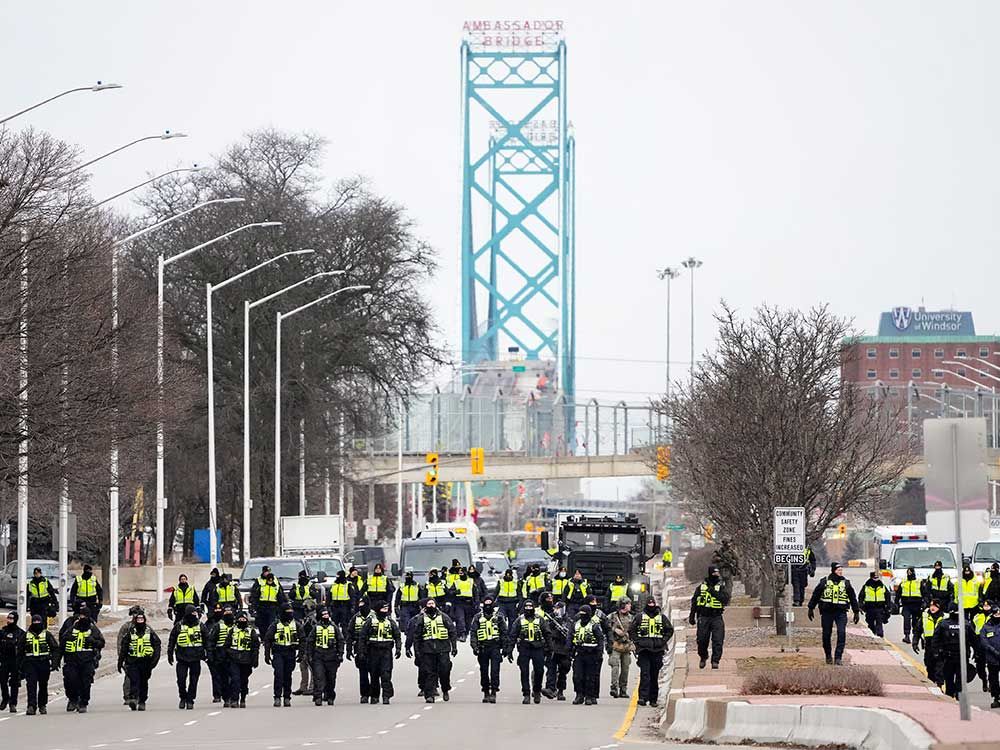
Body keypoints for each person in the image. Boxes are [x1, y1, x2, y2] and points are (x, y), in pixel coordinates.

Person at [808, 562, 860, 665]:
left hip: (841, 612)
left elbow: (853, 598)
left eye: (841, 570)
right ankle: (828, 656)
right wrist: (811, 608)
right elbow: (816, 595)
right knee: (826, 635)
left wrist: (856, 611)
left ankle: (838, 657)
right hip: (827, 612)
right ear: (833, 570)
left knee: (841, 633)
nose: (840, 572)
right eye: (838, 570)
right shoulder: (824, 582)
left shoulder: (846, 583)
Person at [409, 598, 457, 703]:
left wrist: (454, 647)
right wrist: (417, 651)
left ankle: (445, 689)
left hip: (443, 649)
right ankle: (429, 695)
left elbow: (452, 631)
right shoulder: (421, 619)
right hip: (427, 650)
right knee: (429, 673)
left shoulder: (444, 617)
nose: (431, 606)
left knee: (444, 671)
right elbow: (416, 636)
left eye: (432, 603)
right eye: (429, 604)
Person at [629, 596, 673, 707]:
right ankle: (643, 698)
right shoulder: (639, 617)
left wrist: (662, 641)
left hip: (657, 650)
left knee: (654, 675)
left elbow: (669, 630)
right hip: (644, 650)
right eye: (649, 604)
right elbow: (631, 630)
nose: (651, 606)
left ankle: (653, 699)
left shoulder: (662, 618)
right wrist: (638, 642)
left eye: (653, 604)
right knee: (645, 674)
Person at [358, 602, 401, 705]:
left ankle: (386, 696)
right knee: (374, 674)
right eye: (383, 609)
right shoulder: (370, 621)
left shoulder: (390, 621)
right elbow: (362, 637)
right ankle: (374, 696)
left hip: (386, 651)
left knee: (386, 674)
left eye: (386, 609)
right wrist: (361, 651)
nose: (385, 611)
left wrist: (398, 648)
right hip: (373, 650)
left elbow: (397, 635)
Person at [61, 613, 105, 713]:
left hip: (87, 661)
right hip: (72, 660)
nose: (82, 619)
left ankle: (83, 703)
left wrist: (92, 641)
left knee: (86, 682)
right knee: (71, 680)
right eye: (80, 616)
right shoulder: (71, 629)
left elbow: (101, 643)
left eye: (84, 616)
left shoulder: (93, 629)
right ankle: (73, 699)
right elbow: (62, 642)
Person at [689, 565, 731, 669]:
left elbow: (725, 600)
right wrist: (692, 615)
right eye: (714, 573)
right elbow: (694, 601)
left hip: (716, 617)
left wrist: (713, 592)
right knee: (701, 640)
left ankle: (715, 661)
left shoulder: (721, 587)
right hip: (704, 617)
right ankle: (703, 657)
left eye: (717, 573)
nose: (716, 575)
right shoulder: (701, 587)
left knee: (718, 640)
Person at [507, 600, 548, 704]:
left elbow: (547, 634)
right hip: (524, 648)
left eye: (531, 607)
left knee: (539, 670)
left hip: (538, 647)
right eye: (527, 607)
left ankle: (537, 691)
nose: (529, 609)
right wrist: (510, 650)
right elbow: (513, 635)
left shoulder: (540, 619)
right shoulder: (519, 620)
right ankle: (526, 694)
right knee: (524, 671)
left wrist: (549, 648)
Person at [118, 611, 161, 711]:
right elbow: (124, 646)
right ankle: (133, 698)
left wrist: (154, 660)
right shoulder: (130, 632)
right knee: (134, 680)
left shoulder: (149, 632)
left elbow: (157, 645)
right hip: (133, 661)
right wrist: (120, 661)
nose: (140, 621)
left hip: (146, 662)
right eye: (138, 619)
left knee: (143, 682)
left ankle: (142, 701)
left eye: (142, 619)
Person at [168, 604, 208, 710]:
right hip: (182, 657)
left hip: (196, 658)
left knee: (194, 681)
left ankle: (190, 700)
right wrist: (169, 653)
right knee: (181, 680)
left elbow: (207, 641)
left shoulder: (201, 626)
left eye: (195, 613)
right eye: (193, 613)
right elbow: (172, 640)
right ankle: (183, 697)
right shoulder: (179, 625)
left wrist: (208, 654)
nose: (195, 615)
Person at [933, 603, 974, 699]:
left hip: (949, 657)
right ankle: (958, 699)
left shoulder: (943, 623)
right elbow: (975, 640)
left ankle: (951, 700)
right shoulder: (965, 624)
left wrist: (936, 652)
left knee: (950, 681)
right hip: (960, 657)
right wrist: (977, 653)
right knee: (959, 682)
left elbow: (935, 640)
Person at [289, 571, 321, 696]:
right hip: (304, 644)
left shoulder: (314, 619)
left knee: (312, 665)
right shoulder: (299, 619)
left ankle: (313, 686)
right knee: (303, 665)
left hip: (313, 645)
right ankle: (303, 686)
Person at [19, 614, 57, 716]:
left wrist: (54, 662)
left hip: (43, 662)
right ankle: (31, 706)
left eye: (38, 621)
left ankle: (42, 705)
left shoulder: (47, 634)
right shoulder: (26, 635)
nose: (36, 623)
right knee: (31, 685)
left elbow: (55, 649)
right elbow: (20, 651)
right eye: (34, 621)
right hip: (30, 663)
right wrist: (20, 666)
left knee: (43, 685)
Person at [469, 596, 506, 703]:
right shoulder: (477, 617)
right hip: (482, 647)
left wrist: (505, 648)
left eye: (490, 602)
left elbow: (504, 632)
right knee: (484, 671)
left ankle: (494, 691)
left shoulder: (499, 617)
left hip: (495, 647)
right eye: (486, 602)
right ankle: (486, 691)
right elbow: (473, 633)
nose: (488, 605)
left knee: (495, 671)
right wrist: (474, 647)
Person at [306, 608, 344, 706]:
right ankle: (318, 696)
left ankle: (330, 696)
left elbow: (340, 640)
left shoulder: (334, 627)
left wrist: (340, 654)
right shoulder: (316, 627)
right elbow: (310, 642)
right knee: (319, 676)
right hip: (319, 654)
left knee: (331, 678)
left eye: (327, 614)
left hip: (331, 655)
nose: (326, 616)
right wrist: (309, 655)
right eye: (323, 614)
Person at [264, 605, 299, 707]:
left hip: (290, 652)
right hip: (278, 652)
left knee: (288, 676)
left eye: (291, 612)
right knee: (279, 674)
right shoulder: (275, 625)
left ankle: (287, 697)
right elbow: (268, 640)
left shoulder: (295, 625)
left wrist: (301, 653)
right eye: (287, 612)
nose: (289, 614)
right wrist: (267, 655)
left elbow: (303, 639)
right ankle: (277, 697)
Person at [569, 604, 605, 705]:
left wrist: (599, 653)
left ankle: (589, 696)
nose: (582, 616)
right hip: (579, 653)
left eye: (584, 614)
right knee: (577, 676)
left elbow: (600, 639)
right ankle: (579, 695)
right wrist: (568, 650)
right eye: (581, 614)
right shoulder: (575, 624)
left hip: (591, 654)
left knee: (590, 676)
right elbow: (570, 637)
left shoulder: (594, 625)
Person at [539, 593, 571, 701]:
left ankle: (560, 691)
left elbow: (571, 634)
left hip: (564, 649)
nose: (557, 610)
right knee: (551, 669)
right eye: (556, 608)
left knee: (563, 670)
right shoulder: (550, 618)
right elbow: (547, 632)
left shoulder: (568, 620)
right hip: (553, 648)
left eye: (560, 608)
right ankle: (550, 688)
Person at [224, 611, 260, 708]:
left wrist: (255, 659)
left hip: (246, 660)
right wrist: (229, 655)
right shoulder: (232, 631)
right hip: (234, 659)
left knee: (244, 681)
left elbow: (256, 646)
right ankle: (234, 699)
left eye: (244, 619)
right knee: (235, 679)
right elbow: (226, 645)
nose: (242, 621)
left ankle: (243, 698)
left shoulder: (251, 632)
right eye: (240, 619)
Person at [345, 598, 374, 702]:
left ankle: (374, 694)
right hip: (359, 648)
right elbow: (349, 634)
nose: (361, 606)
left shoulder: (375, 616)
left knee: (374, 672)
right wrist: (348, 650)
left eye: (363, 604)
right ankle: (364, 694)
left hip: (373, 647)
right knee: (363, 673)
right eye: (360, 604)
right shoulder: (355, 618)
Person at [912, 598, 945, 687]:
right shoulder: (925, 616)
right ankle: (932, 683)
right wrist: (915, 642)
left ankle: (939, 685)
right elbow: (918, 630)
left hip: (941, 645)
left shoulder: (945, 617)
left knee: (940, 667)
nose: (932, 608)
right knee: (929, 665)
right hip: (929, 644)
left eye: (935, 606)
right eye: (931, 605)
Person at [206, 605, 234, 705]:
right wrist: (210, 654)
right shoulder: (217, 626)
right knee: (221, 677)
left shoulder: (237, 627)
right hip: (220, 655)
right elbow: (210, 641)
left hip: (234, 655)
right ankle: (224, 697)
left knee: (234, 676)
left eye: (230, 614)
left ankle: (233, 696)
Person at [116, 606, 144, 705]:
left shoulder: (146, 628)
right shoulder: (126, 627)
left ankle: (139, 695)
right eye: (135, 614)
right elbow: (120, 643)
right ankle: (128, 696)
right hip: (129, 657)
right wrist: (121, 657)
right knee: (129, 676)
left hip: (142, 657)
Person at [607, 598, 634, 699]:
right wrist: (615, 629)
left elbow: (634, 631)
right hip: (615, 645)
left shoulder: (631, 617)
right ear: (623, 605)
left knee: (625, 668)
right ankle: (614, 688)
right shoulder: (612, 616)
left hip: (626, 646)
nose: (630, 606)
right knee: (615, 666)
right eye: (628, 604)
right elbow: (606, 626)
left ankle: (623, 689)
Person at [250, 567, 287, 637]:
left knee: (271, 623)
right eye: (266, 572)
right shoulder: (260, 582)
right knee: (262, 623)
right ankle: (263, 637)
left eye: (269, 572)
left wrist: (283, 605)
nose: (267, 573)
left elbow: (280, 594)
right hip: (262, 606)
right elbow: (255, 595)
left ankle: (269, 637)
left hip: (272, 606)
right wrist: (253, 606)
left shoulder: (275, 581)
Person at [0, 612, 24, 713]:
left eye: (11, 618)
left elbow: (23, 648)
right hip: (4, 659)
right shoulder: (3, 631)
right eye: (8, 618)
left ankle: (13, 703)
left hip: (15, 661)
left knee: (14, 682)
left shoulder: (20, 633)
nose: (9, 620)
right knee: (2, 680)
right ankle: (5, 698)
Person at [979, 602, 1000, 708]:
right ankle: (996, 697)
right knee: (993, 680)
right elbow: (984, 642)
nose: (998, 616)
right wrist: (994, 652)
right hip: (992, 658)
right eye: (996, 614)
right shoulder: (986, 627)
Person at [858, 571, 892, 637]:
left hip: (880, 607)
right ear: (871, 577)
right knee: (870, 623)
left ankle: (880, 635)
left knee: (879, 622)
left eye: (877, 577)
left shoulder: (882, 586)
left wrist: (888, 606)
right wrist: (860, 605)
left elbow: (887, 596)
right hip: (869, 608)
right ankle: (873, 632)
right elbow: (861, 596)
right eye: (874, 577)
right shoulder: (866, 586)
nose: (876, 579)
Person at [895, 567, 924, 644]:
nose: (909, 574)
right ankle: (907, 635)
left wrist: (925, 603)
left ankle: (915, 635)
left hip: (917, 605)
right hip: (906, 605)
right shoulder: (903, 582)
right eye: (908, 572)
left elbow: (924, 593)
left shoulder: (919, 582)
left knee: (915, 621)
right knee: (906, 620)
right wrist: (896, 603)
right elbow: (898, 593)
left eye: (910, 572)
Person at [451, 566, 477, 640]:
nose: (461, 574)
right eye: (459, 573)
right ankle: (462, 634)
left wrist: (476, 603)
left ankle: (466, 633)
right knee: (460, 619)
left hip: (469, 603)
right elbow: (450, 591)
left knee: (468, 620)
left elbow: (475, 592)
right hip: (459, 603)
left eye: (462, 572)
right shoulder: (456, 582)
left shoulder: (471, 581)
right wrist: (455, 592)